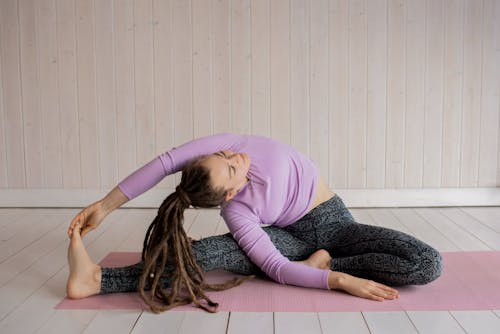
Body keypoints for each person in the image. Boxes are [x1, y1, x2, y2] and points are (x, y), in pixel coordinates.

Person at [66, 133, 442, 313]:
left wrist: (105, 205)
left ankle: (324, 261)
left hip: (336, 225)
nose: (236, 155)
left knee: (427, 263)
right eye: (231, 166)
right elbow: (277, 267)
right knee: (212, 251)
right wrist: (341, 281)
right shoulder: (237, 213)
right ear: (229, 194)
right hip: (286, 242)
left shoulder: (235, 142)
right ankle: (99, 281)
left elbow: (164, 163)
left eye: (223, 153)